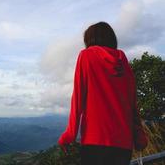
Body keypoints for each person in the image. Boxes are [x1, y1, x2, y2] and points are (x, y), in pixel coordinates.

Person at [57, 22, 148, 165]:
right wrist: (139, 135)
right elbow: (132, 103)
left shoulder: (86, 56)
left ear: (90, 39)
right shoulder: (123, 62)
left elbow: (78, 99)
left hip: (95, 141)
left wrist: (70, 134)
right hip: (123, 145)